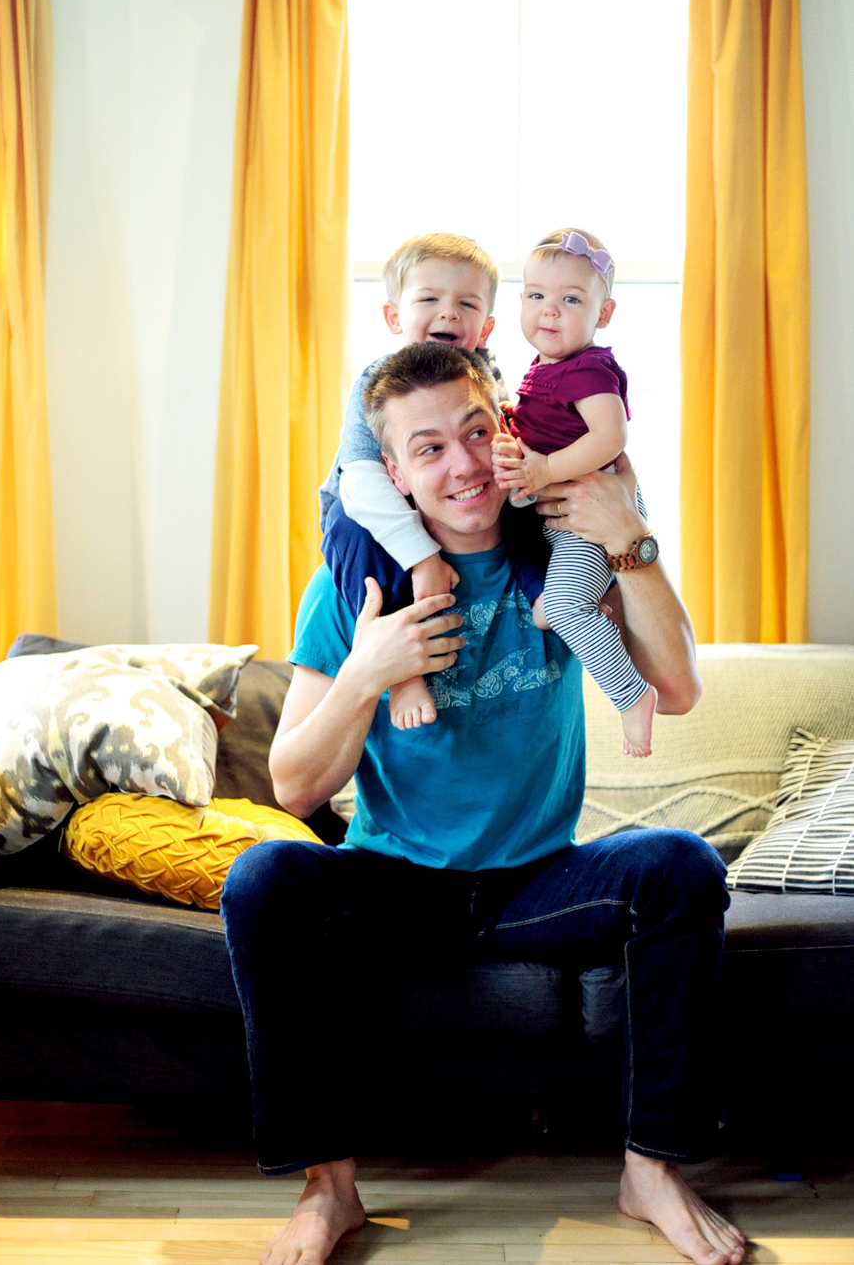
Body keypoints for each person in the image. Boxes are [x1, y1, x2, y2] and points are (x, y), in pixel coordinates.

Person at [221, 343, 746, 1265]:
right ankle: (327, 1188)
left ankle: (652, 1168)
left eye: (474, 431)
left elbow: (677, 686)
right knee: (265, 876)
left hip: (540, 882)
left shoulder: (561, 558)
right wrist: (367, 673)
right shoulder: (354, 585)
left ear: (505, 431)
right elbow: (295, 784)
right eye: (427, 449)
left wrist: (629, 532)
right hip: (396, 883)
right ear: (392, 475)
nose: (462, 465)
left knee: (679, 866)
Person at [319, 232, 546, 734]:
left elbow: (511, 442)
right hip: (366, 509)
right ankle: (401, 674)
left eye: (466, 303)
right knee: (349, 530)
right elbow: (361, 482)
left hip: (459, 521)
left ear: (485, 326)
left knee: (533, 509)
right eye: (428, 299)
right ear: (394, 318)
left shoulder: (488, 376)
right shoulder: (378, 383)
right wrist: (423, 560)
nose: (448, 314)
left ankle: (542, 591)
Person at [491, 227, 657, 758]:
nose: (550, 312)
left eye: (571, 300)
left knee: (561, 608)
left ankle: (632, 695)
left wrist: (544, 470)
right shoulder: (543, 369)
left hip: (596, 515)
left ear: (603, 314)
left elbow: (611, 437)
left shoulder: (589, 368)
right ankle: (588, 602)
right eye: (537, 296)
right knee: (546, 606)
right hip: (564, 517)